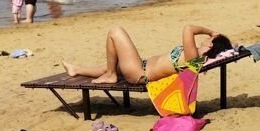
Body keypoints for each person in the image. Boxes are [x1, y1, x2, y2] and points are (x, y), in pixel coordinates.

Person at [62, 24, 232, 85]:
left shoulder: (195, 58)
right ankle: (76, 70)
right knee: (107, 66)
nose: (206, 38)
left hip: (139, 73)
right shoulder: (196, 58)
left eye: (210, 38)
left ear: (211, 43)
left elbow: (188, 28)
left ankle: (111, 75)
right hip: (140, 67)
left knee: (115, 31)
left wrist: (210, 31)